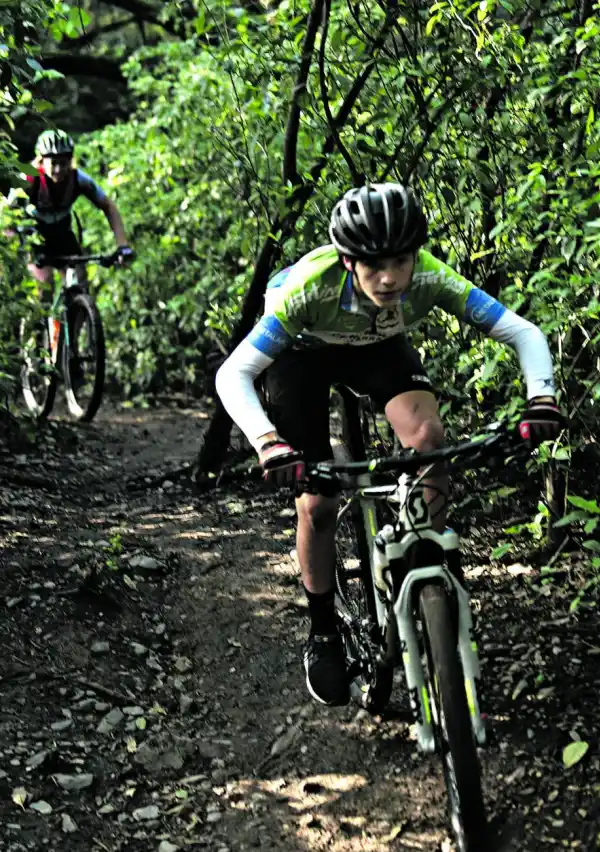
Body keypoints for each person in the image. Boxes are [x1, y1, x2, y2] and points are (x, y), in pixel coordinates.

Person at [216, 183, 563, 707]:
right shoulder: (306, 288)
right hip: (303, 354)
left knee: (429, 441)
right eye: (373, 264)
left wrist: (541, 399)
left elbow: (522, 332)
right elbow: (233, 374)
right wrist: (268, 444)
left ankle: (429, 563)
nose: (389, 277)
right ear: (346, 259)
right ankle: (324, 631)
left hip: (376, 344)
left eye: (401, 260)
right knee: (318, 500)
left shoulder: (426, 276)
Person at [12, 128, 133, 285]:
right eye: (53, 163)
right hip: (34, 234)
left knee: (80, 279)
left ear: (70, 161)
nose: (59, 170)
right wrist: (12, 244)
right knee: (44, 282)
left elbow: (108, 207)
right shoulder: (29, 178)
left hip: (62, 232)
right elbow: (6, 212)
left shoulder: (79, 179)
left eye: (64, 163)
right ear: (41, 161)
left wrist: (122, 245)